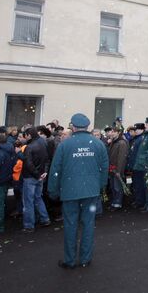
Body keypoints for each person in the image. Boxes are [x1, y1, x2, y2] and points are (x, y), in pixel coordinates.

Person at [48, 113, 109, 269]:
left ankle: (70, 260)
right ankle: (85, 259)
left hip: (70, 191)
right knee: (88, 225)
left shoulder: (65, 145)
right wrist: (100, 186)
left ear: (73, 127)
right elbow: (104, 169)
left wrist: (53, 191)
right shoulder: (98, 144)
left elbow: (56, 170)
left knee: (70, 225)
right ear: (87, 127)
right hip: (91, 191)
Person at [20, 127, 51, 232]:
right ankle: (45, 219)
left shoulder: (29, 147)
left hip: (31, 177)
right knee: (38, 198)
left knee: (28, 201)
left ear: (29, 135)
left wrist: (38, 174)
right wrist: (44, 173)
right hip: (40, 176)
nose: (24, 137)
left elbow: (28, 164)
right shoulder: (43, 143)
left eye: (25, 135)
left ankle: (29, 225)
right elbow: (47, 159)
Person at [107, 127, 129, 211]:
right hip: (112, 168)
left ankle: (118, 203)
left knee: (117, 187)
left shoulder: (122, 143)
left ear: (119, 133)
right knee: (113, 186)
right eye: (111, 131)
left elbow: (121, 158)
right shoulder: (114, 142)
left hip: (117, 169)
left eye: (113, 132)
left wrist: (119, 171)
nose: (111, 133)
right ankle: (114, 201)